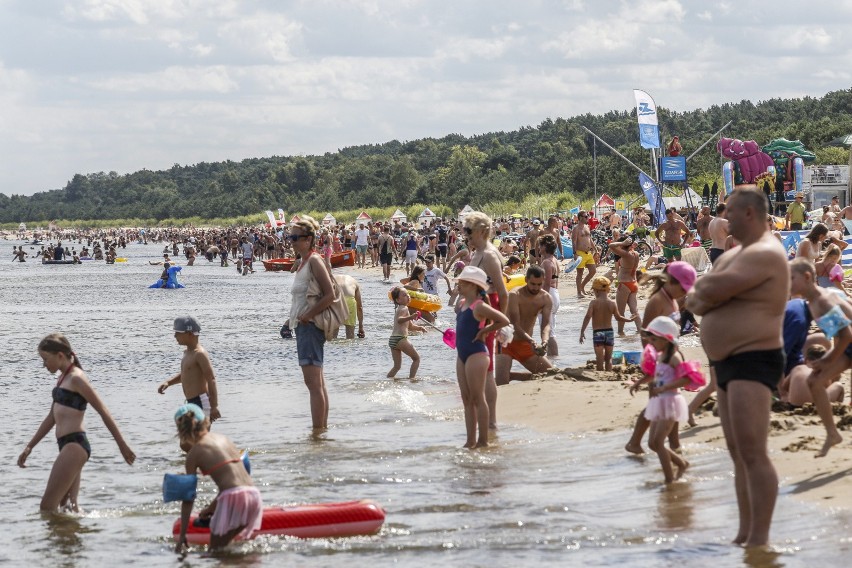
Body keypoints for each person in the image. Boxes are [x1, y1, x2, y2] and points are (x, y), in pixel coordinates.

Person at [687, 188, 789, 548]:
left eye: (729, 212)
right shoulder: (735, 254)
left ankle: (760, 540)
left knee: (752, 451)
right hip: (726, 361)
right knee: (736, 452)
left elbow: (709, 289)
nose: (724, 219)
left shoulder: (765, 251)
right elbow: (697, 295)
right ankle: (744, 533)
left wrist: (707, 293)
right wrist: (706, 293)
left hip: (753, 357)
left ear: (749, 213)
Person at [17, 334, 136, 512]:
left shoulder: (77, 378)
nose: (44, 365)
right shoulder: (62, 378)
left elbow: (103, 411)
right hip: (66, 445)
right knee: (68, 507)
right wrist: (29, 447)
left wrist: (122, 445)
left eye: (45, 359)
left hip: (75, 445)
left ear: (60, 355)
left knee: (47, 507)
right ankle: (74, 537)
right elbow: (51, 417)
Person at [624, 261, 697, 454]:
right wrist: (654, 365)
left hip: (670, 360)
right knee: (655, 406)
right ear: (670, 282)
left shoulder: (673, 300)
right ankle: (635, 442)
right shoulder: (657, 301)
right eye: (682, 288)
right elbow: (646, 335)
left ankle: (674, 444)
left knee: (669, 405)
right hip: (658, 364)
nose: (684, 293)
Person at [172, 404, 262, 552]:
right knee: (225, 548)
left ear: (181, 431)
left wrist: (182, 535)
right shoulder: (223, 439)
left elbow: (189, 498)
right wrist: (210, 508)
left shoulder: (193, 454)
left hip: (234, 497)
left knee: (215, 553)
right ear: (205, 421)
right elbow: (235, 481)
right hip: (253, 495)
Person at [788, 257, 852, 457]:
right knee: (814, 381)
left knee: (815, 379)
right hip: (849, 348)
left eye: (791, 278)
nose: (786, 283)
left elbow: (846, 334)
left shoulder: (820, 302)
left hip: (849, 343)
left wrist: (827, 360)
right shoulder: (815, 299)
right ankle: (832, 434)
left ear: (807, 277)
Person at [628, 317, 691, 484]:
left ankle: (669, 480)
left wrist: (664, 388)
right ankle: (681, 463)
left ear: (667, 339)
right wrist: (639, 383)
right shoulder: (661, 356)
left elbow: (687, 379)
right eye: (650, 339)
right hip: (659, 402)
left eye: (654, 339)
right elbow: (654, 375)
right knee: (652, 444)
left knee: (658, 442)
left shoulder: (674, 357)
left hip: (670, 401)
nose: (651, 342)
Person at [453, 267, 510, 448]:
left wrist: (485, 330)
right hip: (462, 354)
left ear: (473, 285)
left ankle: (483, 441)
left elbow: (503, 320)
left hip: (477, 353)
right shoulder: (462, 303)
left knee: (478, 398)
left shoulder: (479, 305)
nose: (458, 284)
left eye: (462, 282)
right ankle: (470, 441)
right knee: (466, 398)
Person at [288, 215, 335, 431]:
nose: (292, 241)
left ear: (308, 239)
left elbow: (330, 295)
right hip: (303, 326)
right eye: (290, 237)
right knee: (317, 383)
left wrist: (307, 316)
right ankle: (321, 432)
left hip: (310, 327)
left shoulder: (314, 260)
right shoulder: (303, 261)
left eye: (296, 237)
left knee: (313, 384)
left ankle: (317, 433)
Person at [465, 211, 510, 430]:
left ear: (482, 231)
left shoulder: (490, 255)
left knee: (488, 366)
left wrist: (501, 325)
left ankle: (491, 420)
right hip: (475, 309)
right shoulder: (478, 251)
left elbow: (503, 293)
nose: (466, 236)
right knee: (479, 364)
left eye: (469, 231)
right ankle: (482, 417)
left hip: (488, 308)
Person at [495, 265, 555, 384]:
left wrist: (544, 341)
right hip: (505, 341)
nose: (536, 288)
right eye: (533, 284)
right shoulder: (514, 295)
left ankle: (512, 375)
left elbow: (546, 325)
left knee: (551, 375)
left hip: (524, 343)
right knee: (502, 384)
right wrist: (532, 341)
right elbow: (515, 325)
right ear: (526, 280)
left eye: (539, 284)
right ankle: (504, 376)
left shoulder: (546, 298)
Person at [158, 316, 221, 423]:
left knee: (198, 437)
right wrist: (169, 382)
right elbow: (186, 375)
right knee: (188, 438)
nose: (175, 336)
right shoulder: (187, 353)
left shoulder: (200, 354)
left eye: (178, 333)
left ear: (189, 333)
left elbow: (211, 379)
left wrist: (214, 406)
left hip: (201, 401)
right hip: (190, 402)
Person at [579, 277, 633, 371]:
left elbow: (588, 317)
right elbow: (618, 317)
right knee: (608, 358)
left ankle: (600, 374)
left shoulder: (594, 303)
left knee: (599, 358)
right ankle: (609, 373)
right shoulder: (612, 303)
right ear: (608, 290)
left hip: (598, 333)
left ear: (596, 290)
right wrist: (629, 320)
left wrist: (582, 332)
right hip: (609, 333)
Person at [779, 344, 845, 406]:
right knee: (838, 385)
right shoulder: (820, 371)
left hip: (794, 405)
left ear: (805, 360)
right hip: (814, 405)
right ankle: (835, 409)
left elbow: (784, 388)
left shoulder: (797, 368)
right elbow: (825, 390)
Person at [387, 286, 426, 379]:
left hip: (393, 340)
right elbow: (400, 320)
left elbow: (410, 326)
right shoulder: (403, 308)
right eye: (404, 295)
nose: (408, 296)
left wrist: (420, 328)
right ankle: (411, 379)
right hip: (400, 339)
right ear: (398, 300)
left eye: (408, 294)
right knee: (416, 359)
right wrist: (411, 317)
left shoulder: (401, 308)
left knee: (397, 366)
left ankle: (388, 380)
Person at [608, 236, 642, 336]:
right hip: (633, 283)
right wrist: (627, 244)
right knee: (634, 309)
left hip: (624, 284)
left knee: (620, 312)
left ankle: (620, 332)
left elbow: (611, 245)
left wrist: (622, 243)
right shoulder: (636, 254)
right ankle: (640, 330)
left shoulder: (626, 254)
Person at [538, 234, 561, 356]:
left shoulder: (547, 262)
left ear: (545, 247)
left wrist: (542, 300)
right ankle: (552, 358)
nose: (539, 248)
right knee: (551, 329)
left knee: (548, 331)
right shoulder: (554, 261)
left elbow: (546, 283)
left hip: (549, 294)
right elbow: (554, 280)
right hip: (555, 294)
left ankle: (553, 359)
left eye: (540, 245)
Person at [571, 211, 596, 297]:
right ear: (580, 217)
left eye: (587, 216)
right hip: (580, 253)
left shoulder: (587, 227)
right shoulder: (576, 228)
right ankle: (579, 292)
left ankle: (582, 286)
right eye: (586, 216)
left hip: (589, 253)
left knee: (593, 271)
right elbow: (573, 241)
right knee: (580, 273)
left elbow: (590, 239)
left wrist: (595, 248)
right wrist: (574, 253)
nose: (587, 218)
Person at [332, 274, 365, 339]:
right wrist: (361, 327)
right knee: (350, 337)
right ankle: (350, 349)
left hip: (336, 299)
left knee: (333, 337)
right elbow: (359, 307)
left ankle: (333, 349)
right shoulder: (354, 282)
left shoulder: (332, 278)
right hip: (349, 300)